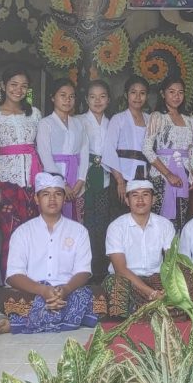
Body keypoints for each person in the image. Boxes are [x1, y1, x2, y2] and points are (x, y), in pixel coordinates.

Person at [0, 172, 98, 336]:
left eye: (58, 194)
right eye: (46, 194)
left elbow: (83, 271)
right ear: (36, 199)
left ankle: (19, 323)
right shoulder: (22, 233)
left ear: (64, 198)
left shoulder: (79, 231)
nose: (52, 199)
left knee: (100, 298)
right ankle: (71, 317)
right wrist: (42, 291)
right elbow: (13, 275)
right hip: (33, 293)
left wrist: (66, 289)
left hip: (68, 292)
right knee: (3, 298)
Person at [0, 67, 42, 280]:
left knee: (32, 232)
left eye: (23, 86)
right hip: (4, 181)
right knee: (11, 231)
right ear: (3, 86)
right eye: (13, 84)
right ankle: (12, 282)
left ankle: (33, 280)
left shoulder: (35, 114)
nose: (18, 90)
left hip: (32, 180)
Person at [99, 180, 175, 318]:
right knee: (116, 284)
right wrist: (150, 293)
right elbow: (120, 270)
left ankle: (142, 310)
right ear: (127, 200)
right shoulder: (116, 227)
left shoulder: (165, 225)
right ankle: (145, 310)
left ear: (153, 200)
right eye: (134, 195)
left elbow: (171, 262)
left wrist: (165, 289)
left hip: (156, 278)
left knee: (185, 280)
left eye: (145, 195)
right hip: (127, 279)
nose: (140, 200)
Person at [142, 76, 193, 229]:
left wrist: (192, 174)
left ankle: (176, 252)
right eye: (171, 92)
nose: (176, 96)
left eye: (180, 92)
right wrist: (168, 174)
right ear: (162, 93)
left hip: (183, 176)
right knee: (161, 221)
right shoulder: (158, 117)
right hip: (161, 176)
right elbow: (146, 148)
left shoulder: (190, 119)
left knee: (181, 218)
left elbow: (192, 149)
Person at [36, 78, 88, 221]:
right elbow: (45, 155)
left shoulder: (79, 123)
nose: (67, 100)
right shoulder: (45, 124)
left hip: (76, 178)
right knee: (55, 218)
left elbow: (84, 152)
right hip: (54, 180)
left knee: (76, 220)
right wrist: (62, 183)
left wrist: (81, 180)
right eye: (63, 95)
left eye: (71, 96)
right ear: (53, 97)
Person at [78, 80, 114, 282]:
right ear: (86, 100)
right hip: (86, 175)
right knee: (86, 222)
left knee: (103, 224)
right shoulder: (79, 121)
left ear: (108, 100)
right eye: (93, 97)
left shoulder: (113, 122)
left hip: (107, 177)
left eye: (102, 97)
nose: (97, 101)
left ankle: (101, 270)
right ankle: (85, 271)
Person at [102, 76, 151, 204]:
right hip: (123, 176)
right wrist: (119, 181)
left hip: (144, 176)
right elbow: (109, 150)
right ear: (126, 95)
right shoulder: (118, 119)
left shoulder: (150, 119)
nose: (138, 97)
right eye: (133, 92)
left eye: (142, 93)